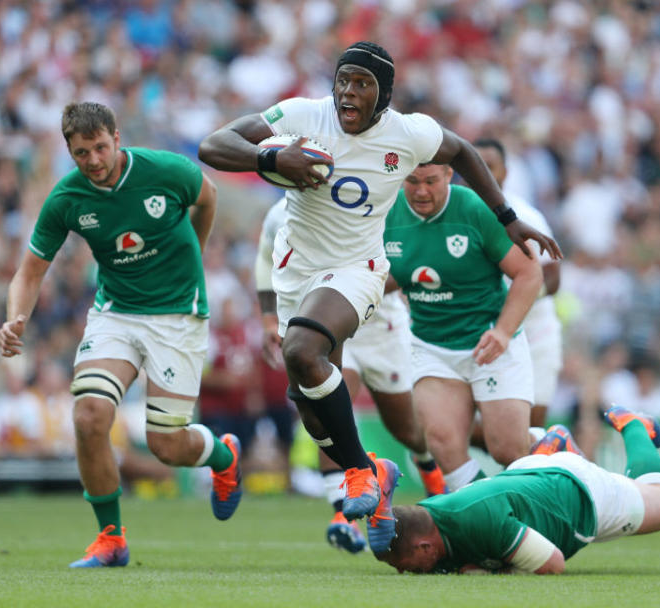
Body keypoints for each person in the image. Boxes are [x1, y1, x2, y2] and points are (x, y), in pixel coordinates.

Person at [198, 41, 560, 552]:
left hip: (358, 269)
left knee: (304, 350)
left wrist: (506, 216)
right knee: (306, 397)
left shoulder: (408, 133)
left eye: (362, 83)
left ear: (383, 95)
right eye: (343, 79)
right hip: (295, 271)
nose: (348, 90)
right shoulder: (302, 115)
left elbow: (463, 152)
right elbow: (213, 145)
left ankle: (361, 474)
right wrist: (273, 155)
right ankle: (371, 472)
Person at [0, 102, 243, 568]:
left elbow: (207, 196)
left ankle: (223, 456)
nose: (92, 160)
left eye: (100, 147)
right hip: (117, 313)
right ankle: (111, 538)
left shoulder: (166, 170)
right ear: (69, 151)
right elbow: (29, 272)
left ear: (116, 136)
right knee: (90, 416)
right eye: (80, 153)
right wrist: (15, 318)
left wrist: (196, 250)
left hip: (178, 313)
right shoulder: (67, 198)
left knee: (166, 445)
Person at [254, 198, 446, 555]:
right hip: (326, 330)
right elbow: (266, 256)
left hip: (380, 326)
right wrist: (269, 317)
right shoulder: (279, 213)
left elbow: (404, 262)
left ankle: (432, 477)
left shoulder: (364, 197)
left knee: (404, 426)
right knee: (325, 408)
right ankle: (344, 513)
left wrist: (357, 282)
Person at [384, 163, 545, 490]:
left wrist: (502, 331)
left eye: (430, 181)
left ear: (448, 174)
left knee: (507, 450)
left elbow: (530, 273)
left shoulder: (473, 208)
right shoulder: (387, 213)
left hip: (488, 342)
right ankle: (488, 514)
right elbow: (385, 276)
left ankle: (552, 444)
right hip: (431, 344)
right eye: (412, 181)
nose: (421, 190)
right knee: (442, 441)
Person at [376, 406, 660, 574]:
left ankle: (633, 425)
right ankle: (548, 448)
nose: (403, 573)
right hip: (526, 473)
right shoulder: (428, 517)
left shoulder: (481, 522)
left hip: (579, 491)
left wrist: (489, 572)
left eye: (402, 566)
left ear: (425, 548)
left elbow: (553, 563)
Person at [473, 138, 562, 429]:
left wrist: (515, 299)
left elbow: (553, 277)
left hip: (535, 334)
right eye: (478, 167)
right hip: (482, 335)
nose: (484, 174)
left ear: (505, 173)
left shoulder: (524, 216)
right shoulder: (457, 214)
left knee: (532, 428)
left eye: (491, 167)